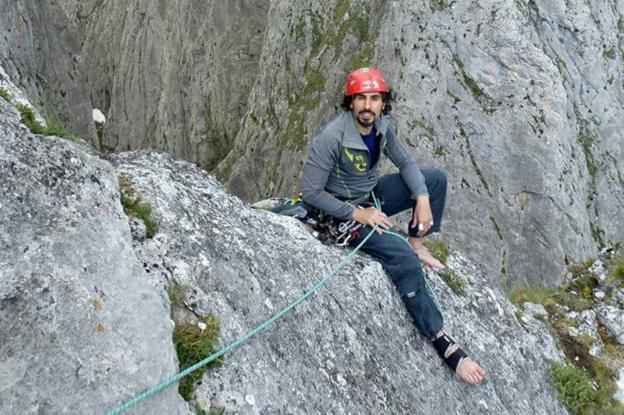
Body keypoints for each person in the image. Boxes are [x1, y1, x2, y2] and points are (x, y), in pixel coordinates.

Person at [300, 68, 486, 384]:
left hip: (370, 196)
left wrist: (423, 197)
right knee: (399, 255)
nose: (368, 106)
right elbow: (311, 193)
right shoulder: (332, 138)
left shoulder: (382, 128)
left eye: (374, 99)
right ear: (350, 102)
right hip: (341, 213)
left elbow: (406, 162)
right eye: (361, 99)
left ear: (383, 103)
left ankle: (419, 243)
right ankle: (443, 342)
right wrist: (358, 215)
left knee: (435, 180)